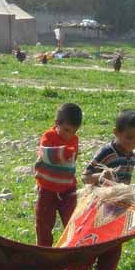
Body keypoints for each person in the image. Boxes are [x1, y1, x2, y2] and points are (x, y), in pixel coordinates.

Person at [49, 109, 135, 270]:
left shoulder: (131, 156)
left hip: (117, 213)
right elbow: (85, 176)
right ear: (116, 133)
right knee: (88, 256)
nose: (133, 142)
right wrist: (102, 176)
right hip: (99, 212)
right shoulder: (108, 152)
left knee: (112, 256)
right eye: (129, 137)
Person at [35, 103, 83, 248]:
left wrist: (68, 152)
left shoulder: (74, 140)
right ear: (57, 124)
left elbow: (72, 159)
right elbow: (46, 154)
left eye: (73, 131)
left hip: (67, 188)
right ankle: (44, 251)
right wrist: (65, 152)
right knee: (44, 222)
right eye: (66, 130)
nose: (69, 135)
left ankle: (73, 247)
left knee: (72, 220)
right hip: (47, 188)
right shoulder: (49, 136)